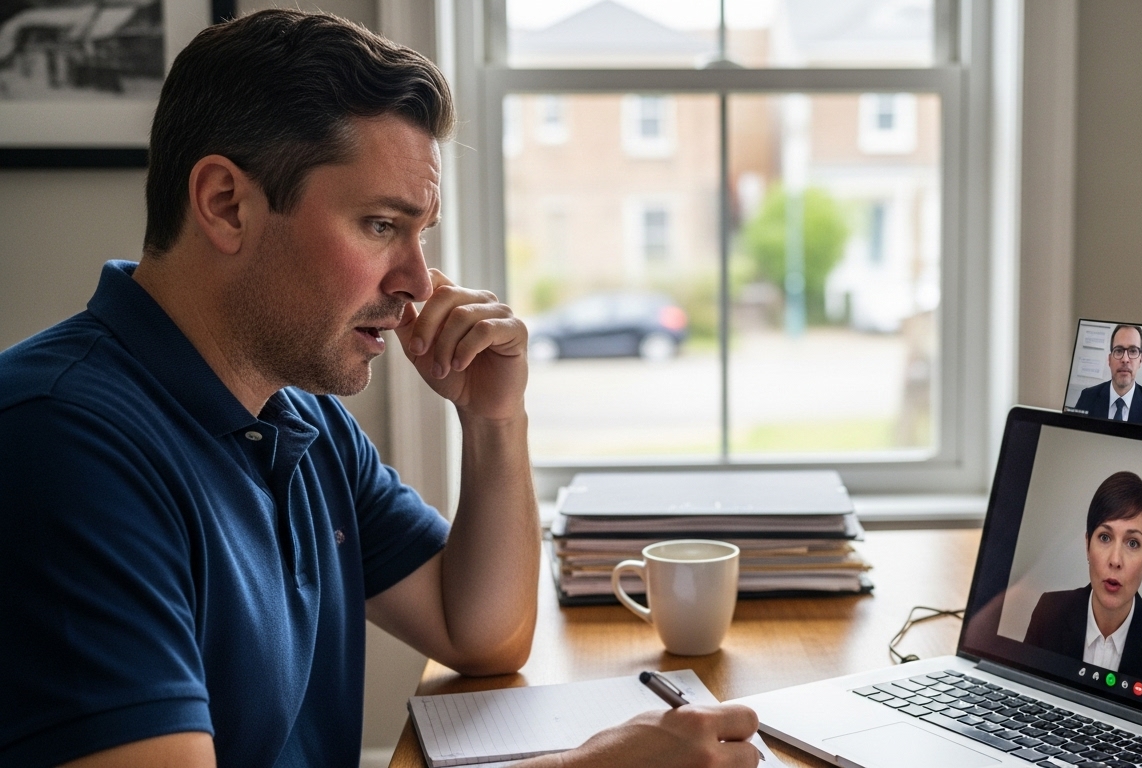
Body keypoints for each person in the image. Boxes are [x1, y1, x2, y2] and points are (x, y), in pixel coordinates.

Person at [0, 11, 758, 768]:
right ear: (227, 204)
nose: (418, 282)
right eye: (379, 225)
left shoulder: (301, 420)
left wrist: (493, 418)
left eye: (419, 231)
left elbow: (481, 633)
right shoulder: (59, 444)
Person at [1023, 471, 1142, 692]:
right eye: (1104, 537)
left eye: (1132, 543)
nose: (1115, 560)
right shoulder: (1048, 612)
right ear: (1087, 545)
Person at [1072, 325, 1142, 427]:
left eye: (1133, 351)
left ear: (1140, 360)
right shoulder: (1087, 397)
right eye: (1118, 351)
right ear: (1109, 360)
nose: (1125, 359)